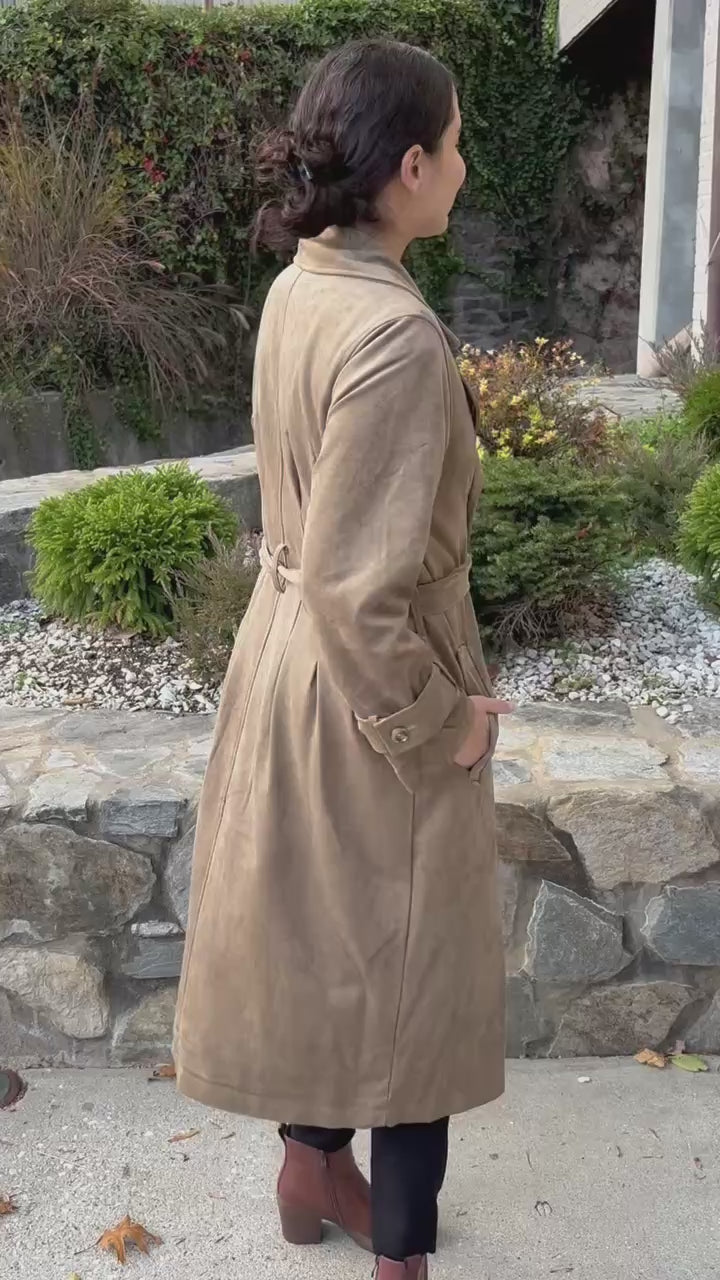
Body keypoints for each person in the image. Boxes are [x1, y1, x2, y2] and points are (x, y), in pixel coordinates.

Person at [174, 38, 512, 1280]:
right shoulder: (394, 337)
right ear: (410, 167)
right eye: (457, 145)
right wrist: (442, 719)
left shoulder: (301, 286)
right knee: (413, 975)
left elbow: (318, 555)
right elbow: (363, 595)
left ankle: (311, 1169)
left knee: (332, 941)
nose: (465, 168)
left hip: (284, 661)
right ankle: (401, 1252)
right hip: (369, 682)